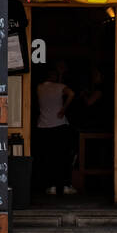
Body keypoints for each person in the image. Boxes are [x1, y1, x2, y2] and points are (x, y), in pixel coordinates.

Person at [35, 63, 77, 197]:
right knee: (63, 157)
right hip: (59, 125)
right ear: (54, 75)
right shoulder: (60, 87)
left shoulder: (39, 88)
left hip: (43, 126)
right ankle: (65, 185)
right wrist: (63, 109)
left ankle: (51, 186)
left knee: (48, 158)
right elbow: (71, 93)